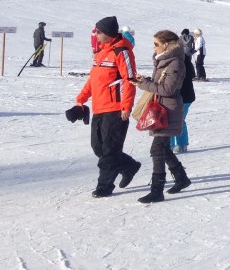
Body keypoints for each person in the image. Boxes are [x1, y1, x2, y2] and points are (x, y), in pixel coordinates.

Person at [71, 16, 141, 198]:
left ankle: (105, 186)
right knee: (98, 148)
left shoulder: (122, 52)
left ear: (108, 34)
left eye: (99, 31)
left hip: (116, 109)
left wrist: (126, 106)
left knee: (110, 151)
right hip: (99, 107)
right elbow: (93, 80)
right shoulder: (100, 54)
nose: (96, 34)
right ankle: (129, 165)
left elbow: (130, 80)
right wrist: (81, 99)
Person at [132, 29, 191, 202]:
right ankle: (181, 178)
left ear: (166, 44)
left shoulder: (175, 63)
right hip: (163, 107)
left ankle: (157, 190)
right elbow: (160, 84)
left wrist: (144, 84)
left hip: (168, 110)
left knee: (157, 149)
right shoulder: (165, 60)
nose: (154, 47)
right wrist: (144, 81)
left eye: (156, 44)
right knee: (163, 148)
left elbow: (167, 89)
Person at [170, 34, 196, 154]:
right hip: (184, 95)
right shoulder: (183, 58)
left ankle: (180, 144)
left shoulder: (178, 60)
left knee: (176, 120)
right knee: (174, 120)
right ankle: (174, 144)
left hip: (183, 96)